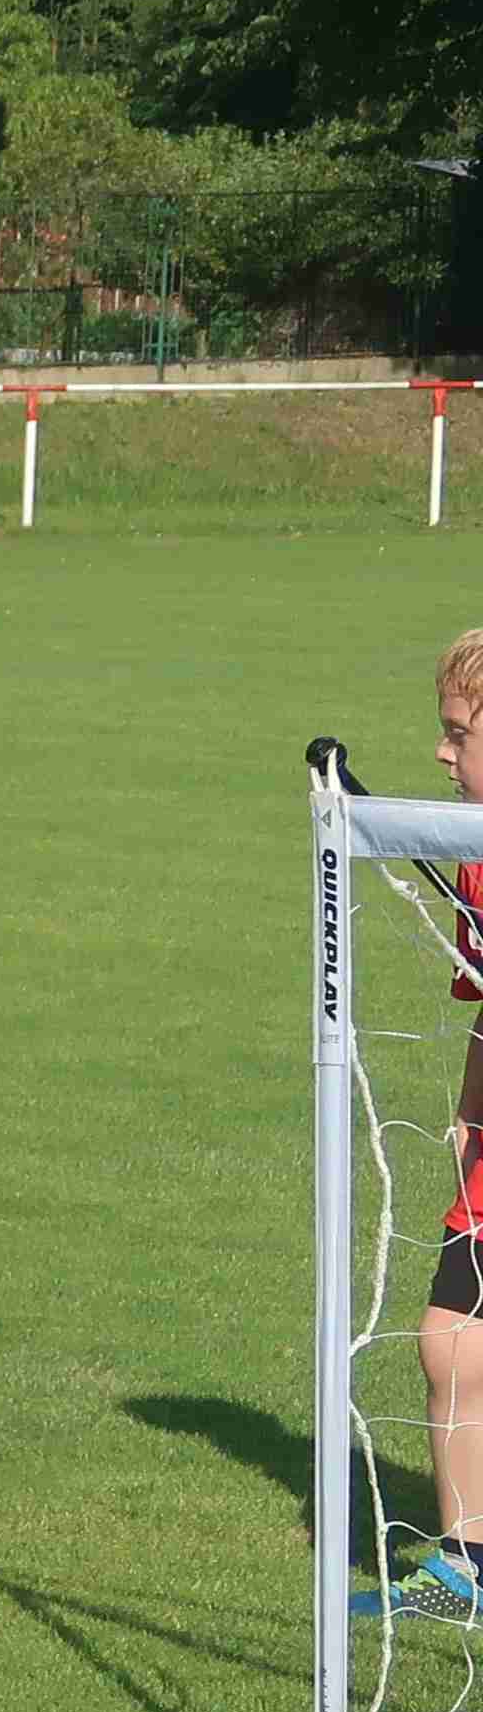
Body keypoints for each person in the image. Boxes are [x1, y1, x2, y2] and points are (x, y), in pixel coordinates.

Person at [383, 633, 483, 1629]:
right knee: (451, 1343)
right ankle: (465, 1563)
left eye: (459, 733)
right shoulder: (475, 857)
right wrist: (466, 1112)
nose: (441, 753)